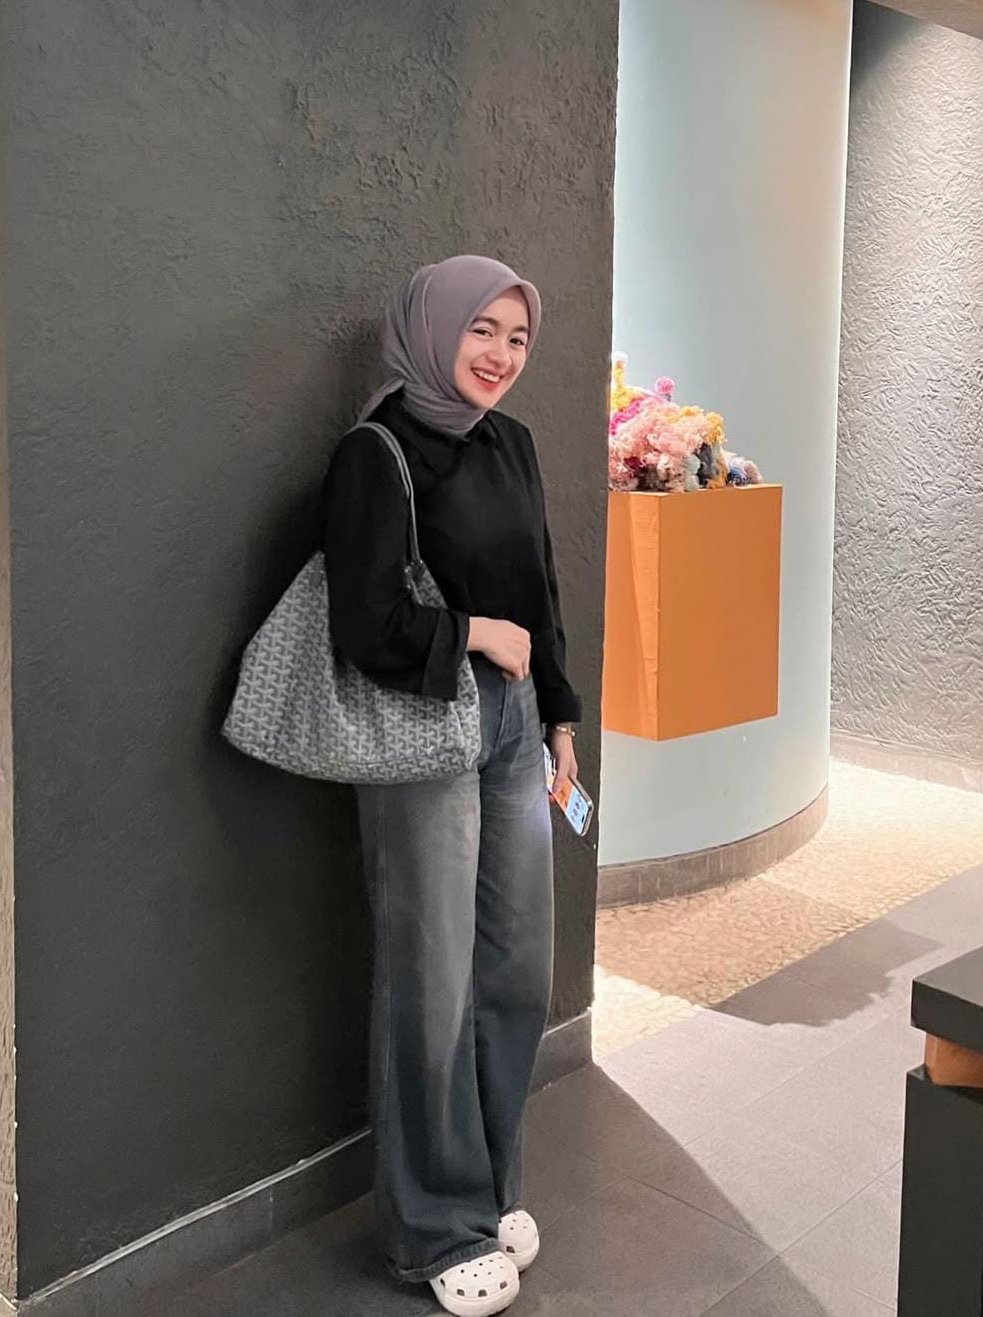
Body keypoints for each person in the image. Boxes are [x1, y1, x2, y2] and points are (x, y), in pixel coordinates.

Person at [322, 255, 582, 1317]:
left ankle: (490, 1185)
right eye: (481, 329)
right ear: (433, 330)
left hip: (514, 724)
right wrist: (472, 633)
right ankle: (434, 1226)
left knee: (516, 966)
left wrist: (560, 715)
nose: (500, 355)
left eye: (517, 338)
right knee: (430, 977)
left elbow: (541, 588)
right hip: (423, 722)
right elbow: (364, 622)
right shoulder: (378, 453)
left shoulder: (511, 443)